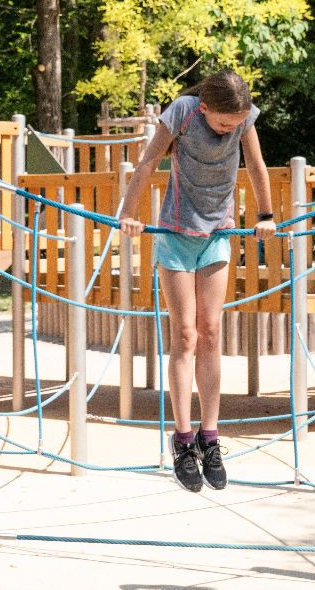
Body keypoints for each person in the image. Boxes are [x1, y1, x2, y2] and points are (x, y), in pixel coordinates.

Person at [117, 71, 277, 492]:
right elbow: (148, 162)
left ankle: (210, 436)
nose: (228, 130)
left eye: (235, 124)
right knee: (185, 333)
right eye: (223, 123)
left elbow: (256, 165)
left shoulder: (243, 119)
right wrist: (129, 214)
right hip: (176, 235)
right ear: (205, 108)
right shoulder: (183, 113)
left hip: (217, 235)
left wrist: (265, 215)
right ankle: (183, 439)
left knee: (211, 331)